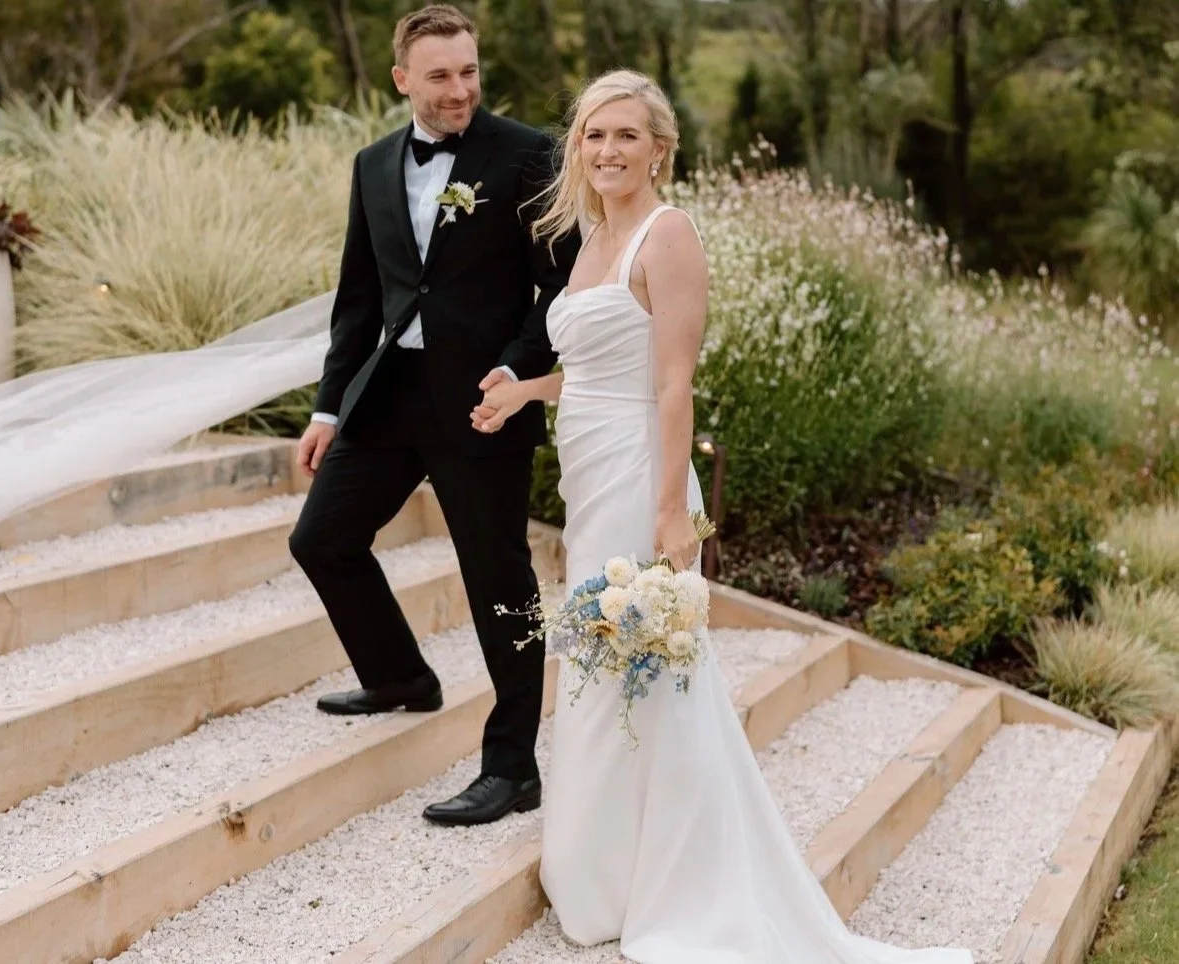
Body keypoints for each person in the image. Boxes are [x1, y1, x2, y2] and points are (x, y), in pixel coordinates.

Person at [470, 69, 975, 963]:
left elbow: (671, 386)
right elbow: (590, 372)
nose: (608, 150)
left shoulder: (668, 237)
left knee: (648, 674)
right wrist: (524, 392)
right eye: (594, 135)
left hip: (642, 480)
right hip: (588, 477)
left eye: (626, 135)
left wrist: (672, 514)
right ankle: (600, 877)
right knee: (597, 665)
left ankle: (678, 882)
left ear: (660, 147)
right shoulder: (590, 238)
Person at [288, 4, 579, 828]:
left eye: (470, 72)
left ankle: (513, 766)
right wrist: (327, 406)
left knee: (498, 581)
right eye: (442, 75)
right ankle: (400, 678)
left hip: (483, 402)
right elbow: (359, 298)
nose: (460, 90)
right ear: (402, 80)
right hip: (388, 394)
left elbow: (559, 284)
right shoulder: (373, 165)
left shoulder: (527, 155)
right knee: (321, 540)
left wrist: (517, 370)